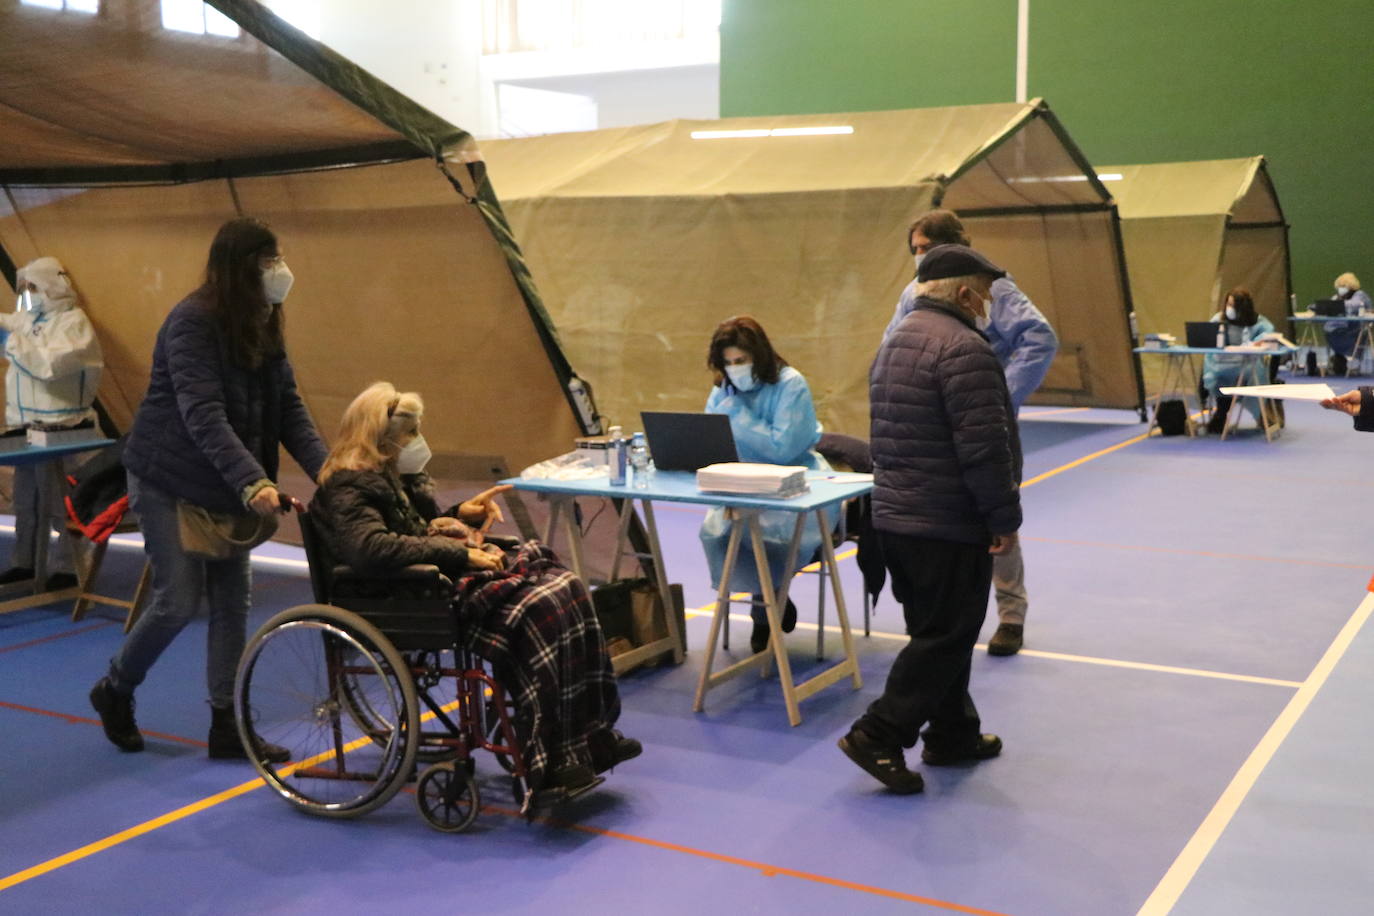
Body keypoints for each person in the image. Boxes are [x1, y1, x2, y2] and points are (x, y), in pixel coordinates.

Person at [308, 382, 640, 793]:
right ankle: (549, 756)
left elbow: (414, 531)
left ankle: (590, 735)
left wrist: (457, 516)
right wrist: (461, 554)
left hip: (431, 580)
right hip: (406, 594)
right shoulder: (349, 484)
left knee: (565, 585)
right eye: (409, 433)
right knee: (540, 608)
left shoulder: (392, 476)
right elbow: (370, 548)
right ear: (380, 439)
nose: (417, 441)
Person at [88, 218, 328, 761]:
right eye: (269, 262)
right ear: (239, 269)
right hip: (168, 478)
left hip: (223, 480)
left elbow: (289, 408)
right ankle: (115, 688)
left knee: (232, 604)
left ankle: (228, 724)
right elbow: (204, 416)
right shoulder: (191, 322)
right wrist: (253, 482)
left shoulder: (263, 320)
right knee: (177, 601)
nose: (280, 272)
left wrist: (331, 473)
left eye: (279, 259)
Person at [839, 244, 1018, 795]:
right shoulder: (965, 348)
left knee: (935, 629)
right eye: (986, 293)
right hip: (947, 522)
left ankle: (953, 731)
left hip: (896, 520)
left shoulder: (895, 342)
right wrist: (1002, 518)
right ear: (964, 294)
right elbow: (985, 448)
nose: (989, 303)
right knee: (948, 634)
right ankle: (879, 732)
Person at [884, 209, 1056, 657]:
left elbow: (1039, 337)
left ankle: (1010, 616)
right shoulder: (912, 292)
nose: (920, 257)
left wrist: (1002, 395)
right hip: (932, 426)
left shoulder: (993, 286)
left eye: (927, 248)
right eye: (915, 250)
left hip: (981, 417)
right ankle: (943, 616)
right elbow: (891, 348)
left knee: (997, 510)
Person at [699, 316, 834, 655]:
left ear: (758, 356)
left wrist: (738, 418)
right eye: (728, 363)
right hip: (740, 485)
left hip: (796, 484)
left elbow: (783, 447)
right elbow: (710, 439)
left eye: (741, 361)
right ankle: (769, 600)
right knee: (718, 532)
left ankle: (766, 608)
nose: (734, 369)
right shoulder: (723, 390)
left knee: (768, 534)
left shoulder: (791, 384)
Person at [0, 256, 104, 590]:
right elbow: (14, 326)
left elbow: (50, 364)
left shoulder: (74, 323)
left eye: (33, 287)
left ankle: (68, 567)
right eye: (25, 289)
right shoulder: (30, 319)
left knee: (64, 503)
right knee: (26, 501)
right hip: (25, 427)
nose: (28, 295)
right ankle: (25, 562)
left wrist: (10, 342)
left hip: (65, 429)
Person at [1202, 287, 1275, 434]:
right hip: (1221, 364)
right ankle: (1221, 414)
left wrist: (1255, 344)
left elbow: (1268, 336)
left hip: (1247, 364)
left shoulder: (1259, 322)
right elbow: (1208, 334)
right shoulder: (1219, 319)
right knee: (1215, 376)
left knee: (1252, 374)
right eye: (1228, 304)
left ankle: (1262, 413)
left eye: (1233, 305)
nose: (1230, 308)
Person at [1323, 272, 1371, 376]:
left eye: (1343, 286)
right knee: (1330, 330)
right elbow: (1330, 304)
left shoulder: (1360, 295)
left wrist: (1338, 304)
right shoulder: (1337, 297)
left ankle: (1344, 360)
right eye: (1339, 287)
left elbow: (1354, 305)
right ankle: (1338, 360)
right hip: (1336, 330)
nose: (1341, 289)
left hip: (1356, 331)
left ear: (1350, 286)